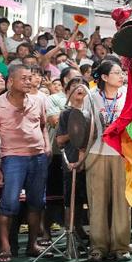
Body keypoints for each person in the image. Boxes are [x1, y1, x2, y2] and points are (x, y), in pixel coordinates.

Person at [0, 64, 51, 262]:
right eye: (24, 78)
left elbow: (44, 125)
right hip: (12, 159)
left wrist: (46, 146)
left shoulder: (38, 100)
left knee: (37, 203)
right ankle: (5, 247)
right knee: (9, 204)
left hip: (38, 157)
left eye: (30, 78)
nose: (29, 81)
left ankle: (32, 244)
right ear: (11, 81)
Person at [86, 61, 130, 262]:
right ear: (104, 78)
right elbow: (84, 126)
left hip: (122, 154)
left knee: (122, 201)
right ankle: (97, 246)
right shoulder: (91, 96)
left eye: (122, 73)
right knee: (97, 200)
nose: (121, 76)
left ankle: (121, 246)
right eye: (116, 73)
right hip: (96, 152)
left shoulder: (128, 94)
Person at [55, 77, 89, 243]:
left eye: (82, 86)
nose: (79, 89)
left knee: (90, 197)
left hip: (92, 161)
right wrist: (75, 132)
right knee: (72, 197)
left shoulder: (92, 111)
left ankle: (87, 230)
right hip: (72, 160)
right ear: (67, 91)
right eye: (74, 86)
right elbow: (59, 140)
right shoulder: (66, 114)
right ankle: (72, 231)